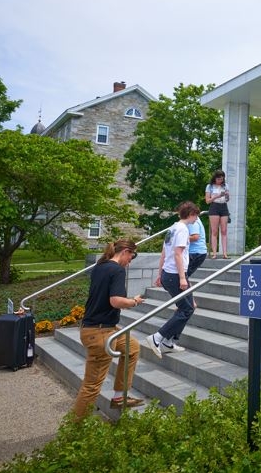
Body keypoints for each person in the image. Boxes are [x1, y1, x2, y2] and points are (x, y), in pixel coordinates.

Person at [72, 239, 145, 420]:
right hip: (99, 333)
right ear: (125, 251)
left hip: (105, 329)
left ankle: (119, 396)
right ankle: (75, 428)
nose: (130, 262)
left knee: (132, 347)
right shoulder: (117, 270)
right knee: (91, 386)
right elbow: (116, 301)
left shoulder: (100, 266)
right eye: (131, 257)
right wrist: (134, 302)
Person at [146, 201, 200, 357]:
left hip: (169, 273)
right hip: (176, 275)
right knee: (186, 309)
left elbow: (164, 253)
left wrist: (159, 274)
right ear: (191, 214)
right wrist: (182, 278)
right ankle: (157, 338)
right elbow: (177, 254)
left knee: (190, 306)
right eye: (196, 215)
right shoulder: (182, 230)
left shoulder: (172, 228)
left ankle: (168, 342)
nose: (197, 219)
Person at [204, 169, 230, 259]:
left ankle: (225, 253)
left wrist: (226, 195)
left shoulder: (225, 185)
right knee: (214, 231)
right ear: (215, 178)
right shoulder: (209, 186)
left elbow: (227, 200)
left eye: (222, 179)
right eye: (218, 179)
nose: (220, 181)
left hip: (223, 206)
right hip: (214, 206)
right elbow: (207, 201)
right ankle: (214, 253)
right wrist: (216, 196)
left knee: (224, 230)